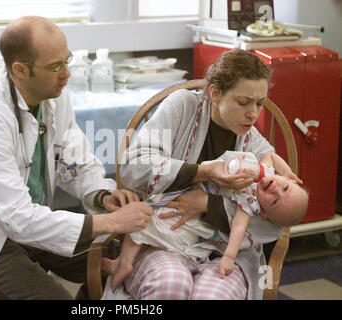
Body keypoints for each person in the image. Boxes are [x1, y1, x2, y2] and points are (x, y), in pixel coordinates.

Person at [0, 16, 154, 300]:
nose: (66, 74)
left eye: (67, 61)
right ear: (20, 69)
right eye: (55, 66)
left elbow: (75, 159)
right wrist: (113, 222)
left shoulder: (53, 95)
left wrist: (102, 195)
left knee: (119, 258)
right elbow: (16, 218)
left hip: (31, 229)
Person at [112, 49, 298, 300]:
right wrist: (201, 172)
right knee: (170, 287)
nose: (253, 114)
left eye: (260, 103)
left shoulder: (257, 150)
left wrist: (208, 205)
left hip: (226, 256)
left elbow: (274, 224)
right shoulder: (182, 107)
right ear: (215, 93)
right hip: (163, 242)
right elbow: (134, 167)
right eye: (243, 102)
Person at [103, 151, 308, 289]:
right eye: (285, 187)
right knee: (146, 217)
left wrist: (228, 257)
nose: (275, 190)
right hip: (190, 190)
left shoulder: (249, 202)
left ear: (263, 213)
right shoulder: (266, 171)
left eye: (274, 201)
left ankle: (124, 262)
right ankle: (125, 261)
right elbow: (270, 155)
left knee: (145, 219)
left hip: (190, 210)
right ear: (289, 180)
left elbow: (238, 228)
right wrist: (287, 170)